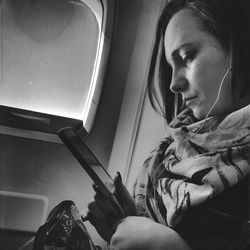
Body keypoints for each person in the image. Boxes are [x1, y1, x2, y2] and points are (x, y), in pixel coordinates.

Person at [87, 0, 250, 249]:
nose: (174, 84)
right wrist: (126, 220)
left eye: (186, 57)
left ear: (241, 45)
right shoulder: (171, 150)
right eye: (170, 66)